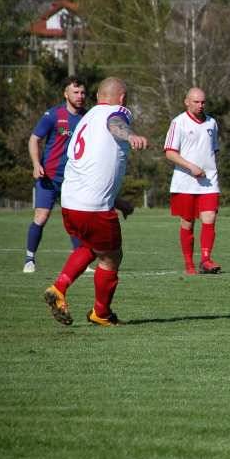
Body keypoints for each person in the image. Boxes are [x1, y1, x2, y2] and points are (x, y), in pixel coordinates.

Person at [41, 77, 148, 326]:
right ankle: (101, 313)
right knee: (112, 256)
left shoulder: (86, 119)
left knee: (91, 246)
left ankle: (59, 288)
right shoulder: (115, 112)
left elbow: (92, 165)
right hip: (93, 207)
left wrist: (118, 201)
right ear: (121, 97)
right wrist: (131, 135)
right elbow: (116, 124)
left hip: (71, 202)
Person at [24, 77, 87, 273]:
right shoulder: (53, 115)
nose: (80, 96)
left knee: (76, 218)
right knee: (41, 216)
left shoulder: (88, 117)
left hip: (74, 178)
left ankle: (81, 263)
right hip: (49, 177)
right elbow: (34, 139)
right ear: (65, 94)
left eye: (83, 93)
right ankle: (29, 259)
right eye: (75, 92)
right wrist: (36, 164)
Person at [164, 87, 221, 275]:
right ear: (186, 102)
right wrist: (191, 167)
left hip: (209, 181)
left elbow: (214, 150)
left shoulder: (212, 123)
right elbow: (170, 152)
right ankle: (189, 263)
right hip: (185, 182)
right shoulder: (178, 123)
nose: (200, 105)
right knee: (187, 222)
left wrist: (210, 168)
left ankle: (206, 259)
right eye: (196, 102)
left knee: (210, 217)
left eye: (203, 102)